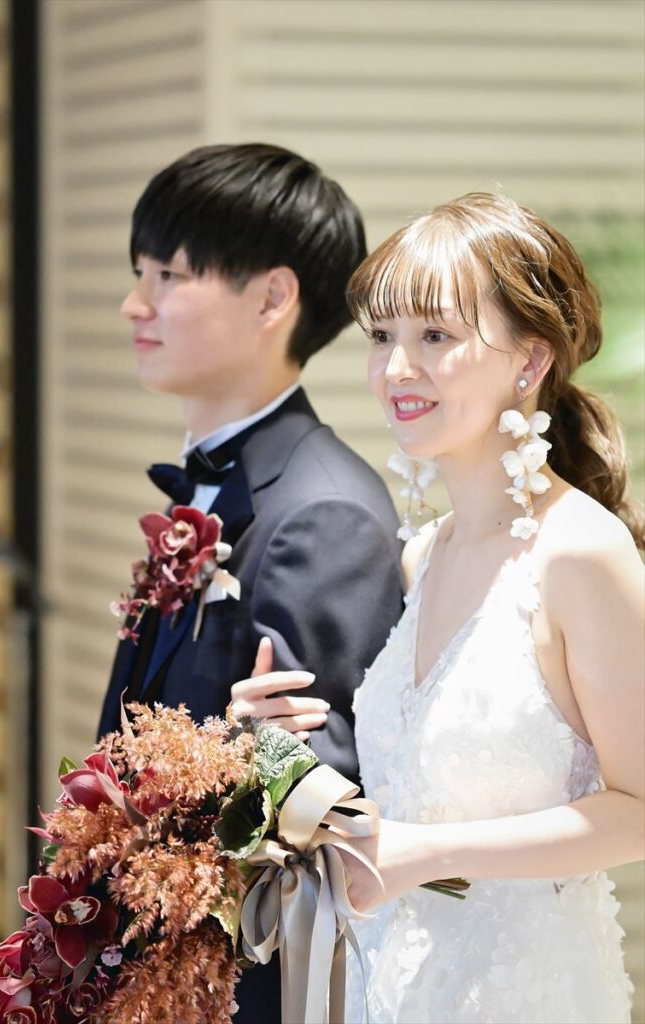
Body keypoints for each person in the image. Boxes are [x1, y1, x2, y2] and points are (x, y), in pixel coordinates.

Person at [236, 192, 644, 1023]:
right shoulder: (422, 555)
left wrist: (427, 854)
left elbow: (638, 811)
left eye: (434, 336)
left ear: (529, 360)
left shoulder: (580, 551)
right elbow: (401, 804)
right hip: (391, 985)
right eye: (381, 336)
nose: (396, 368)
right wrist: (271, 746)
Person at [96, 142, 404, 1023]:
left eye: (168, 275)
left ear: (271, 298)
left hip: (229, 987)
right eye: (138, 273)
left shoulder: (322, 511)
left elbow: (320, 803)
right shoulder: (216, 488)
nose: (135, 304)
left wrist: (243, 751)